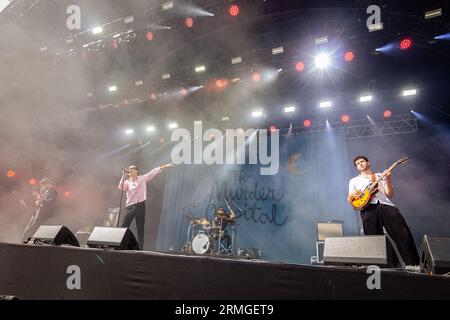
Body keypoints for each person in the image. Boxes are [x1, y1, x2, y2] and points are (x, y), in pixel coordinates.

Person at [347, 156, 419, 266]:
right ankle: (389, 268)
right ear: (357, 168)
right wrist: (352, 195)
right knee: (374, 241)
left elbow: (389, 194)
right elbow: (350, 199)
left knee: (402, 235)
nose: (360, 164)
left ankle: (414, 265)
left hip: (386, 206)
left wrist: (388, 179)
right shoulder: (353, 181)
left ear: (368, 163)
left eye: (362, 161)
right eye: (357, 163)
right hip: (368, 209)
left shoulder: (380, 175)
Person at [118, 163, 175, 250]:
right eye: (129, 169)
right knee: (123, 227)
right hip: (130, 207)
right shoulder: (127, 182)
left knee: (140, 228)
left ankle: (140, 249)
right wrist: (123, 175)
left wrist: (166, 166)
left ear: (136, 171)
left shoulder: (142, 178)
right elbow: (121, 187)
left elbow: (153, 172)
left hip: (140, 206)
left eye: (132, 168)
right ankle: (119, 245)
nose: (130, 170)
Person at [20, 178, 58, 242]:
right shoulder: (45, 191)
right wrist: (38, 200)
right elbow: (40, 202)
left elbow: (50, 202)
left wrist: (41, 199)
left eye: (43, 185)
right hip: (38, 212)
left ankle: (26, 241)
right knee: (29, 227)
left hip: (43, 214)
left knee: (33, 228)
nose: (43, 187)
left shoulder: (53, 191)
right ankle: (22, 241)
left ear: (48, 184)